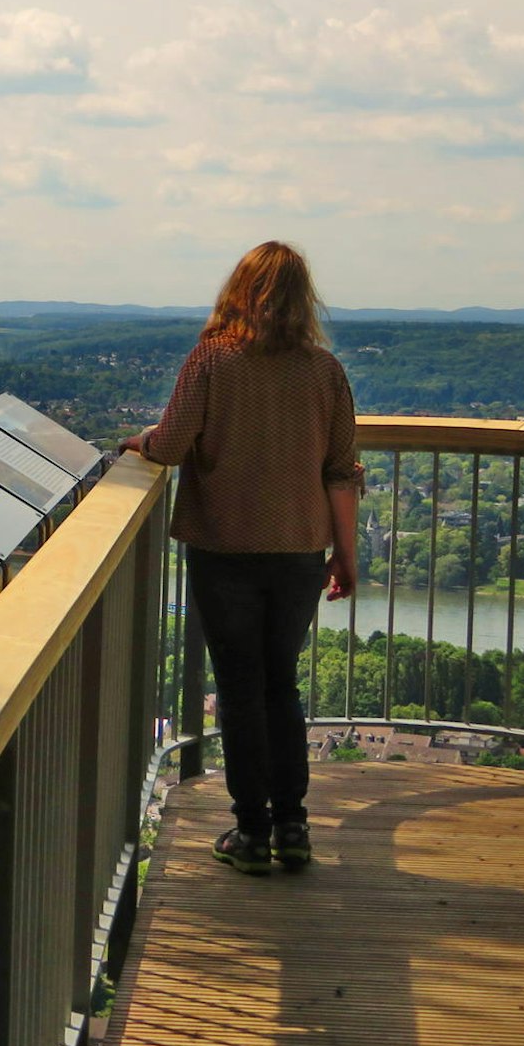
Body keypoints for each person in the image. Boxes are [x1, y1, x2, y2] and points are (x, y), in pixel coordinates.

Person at [120, 241, 362, 876]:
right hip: (300, 550)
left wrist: (140, 440)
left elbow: (171, 445)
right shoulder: (325, 371)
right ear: (303, 298)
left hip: (225, 547)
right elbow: (341, 472)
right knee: (280, 683)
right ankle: (293, 827)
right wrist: (346, 555)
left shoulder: (213, 359)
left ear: (239, 291)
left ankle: (252, 831)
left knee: (239, 686)